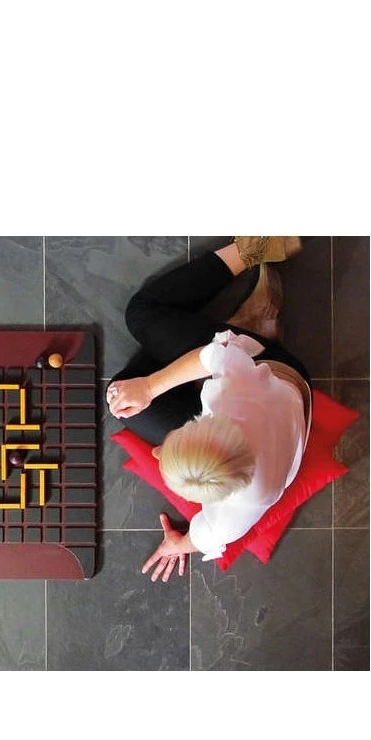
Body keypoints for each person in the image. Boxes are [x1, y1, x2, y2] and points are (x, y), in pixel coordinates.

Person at [106, 237, 312, 583]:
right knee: (141, 313)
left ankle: (243, 322)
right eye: (169, 445)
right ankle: (255, 252)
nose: (155, 451)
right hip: (272, 368)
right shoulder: (232, 393)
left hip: (261, 403)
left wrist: (177, 544)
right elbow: (210, 355)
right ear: (201, 422)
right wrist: (150, 387)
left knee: (121, 395)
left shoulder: (243, 506)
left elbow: (203, 537)